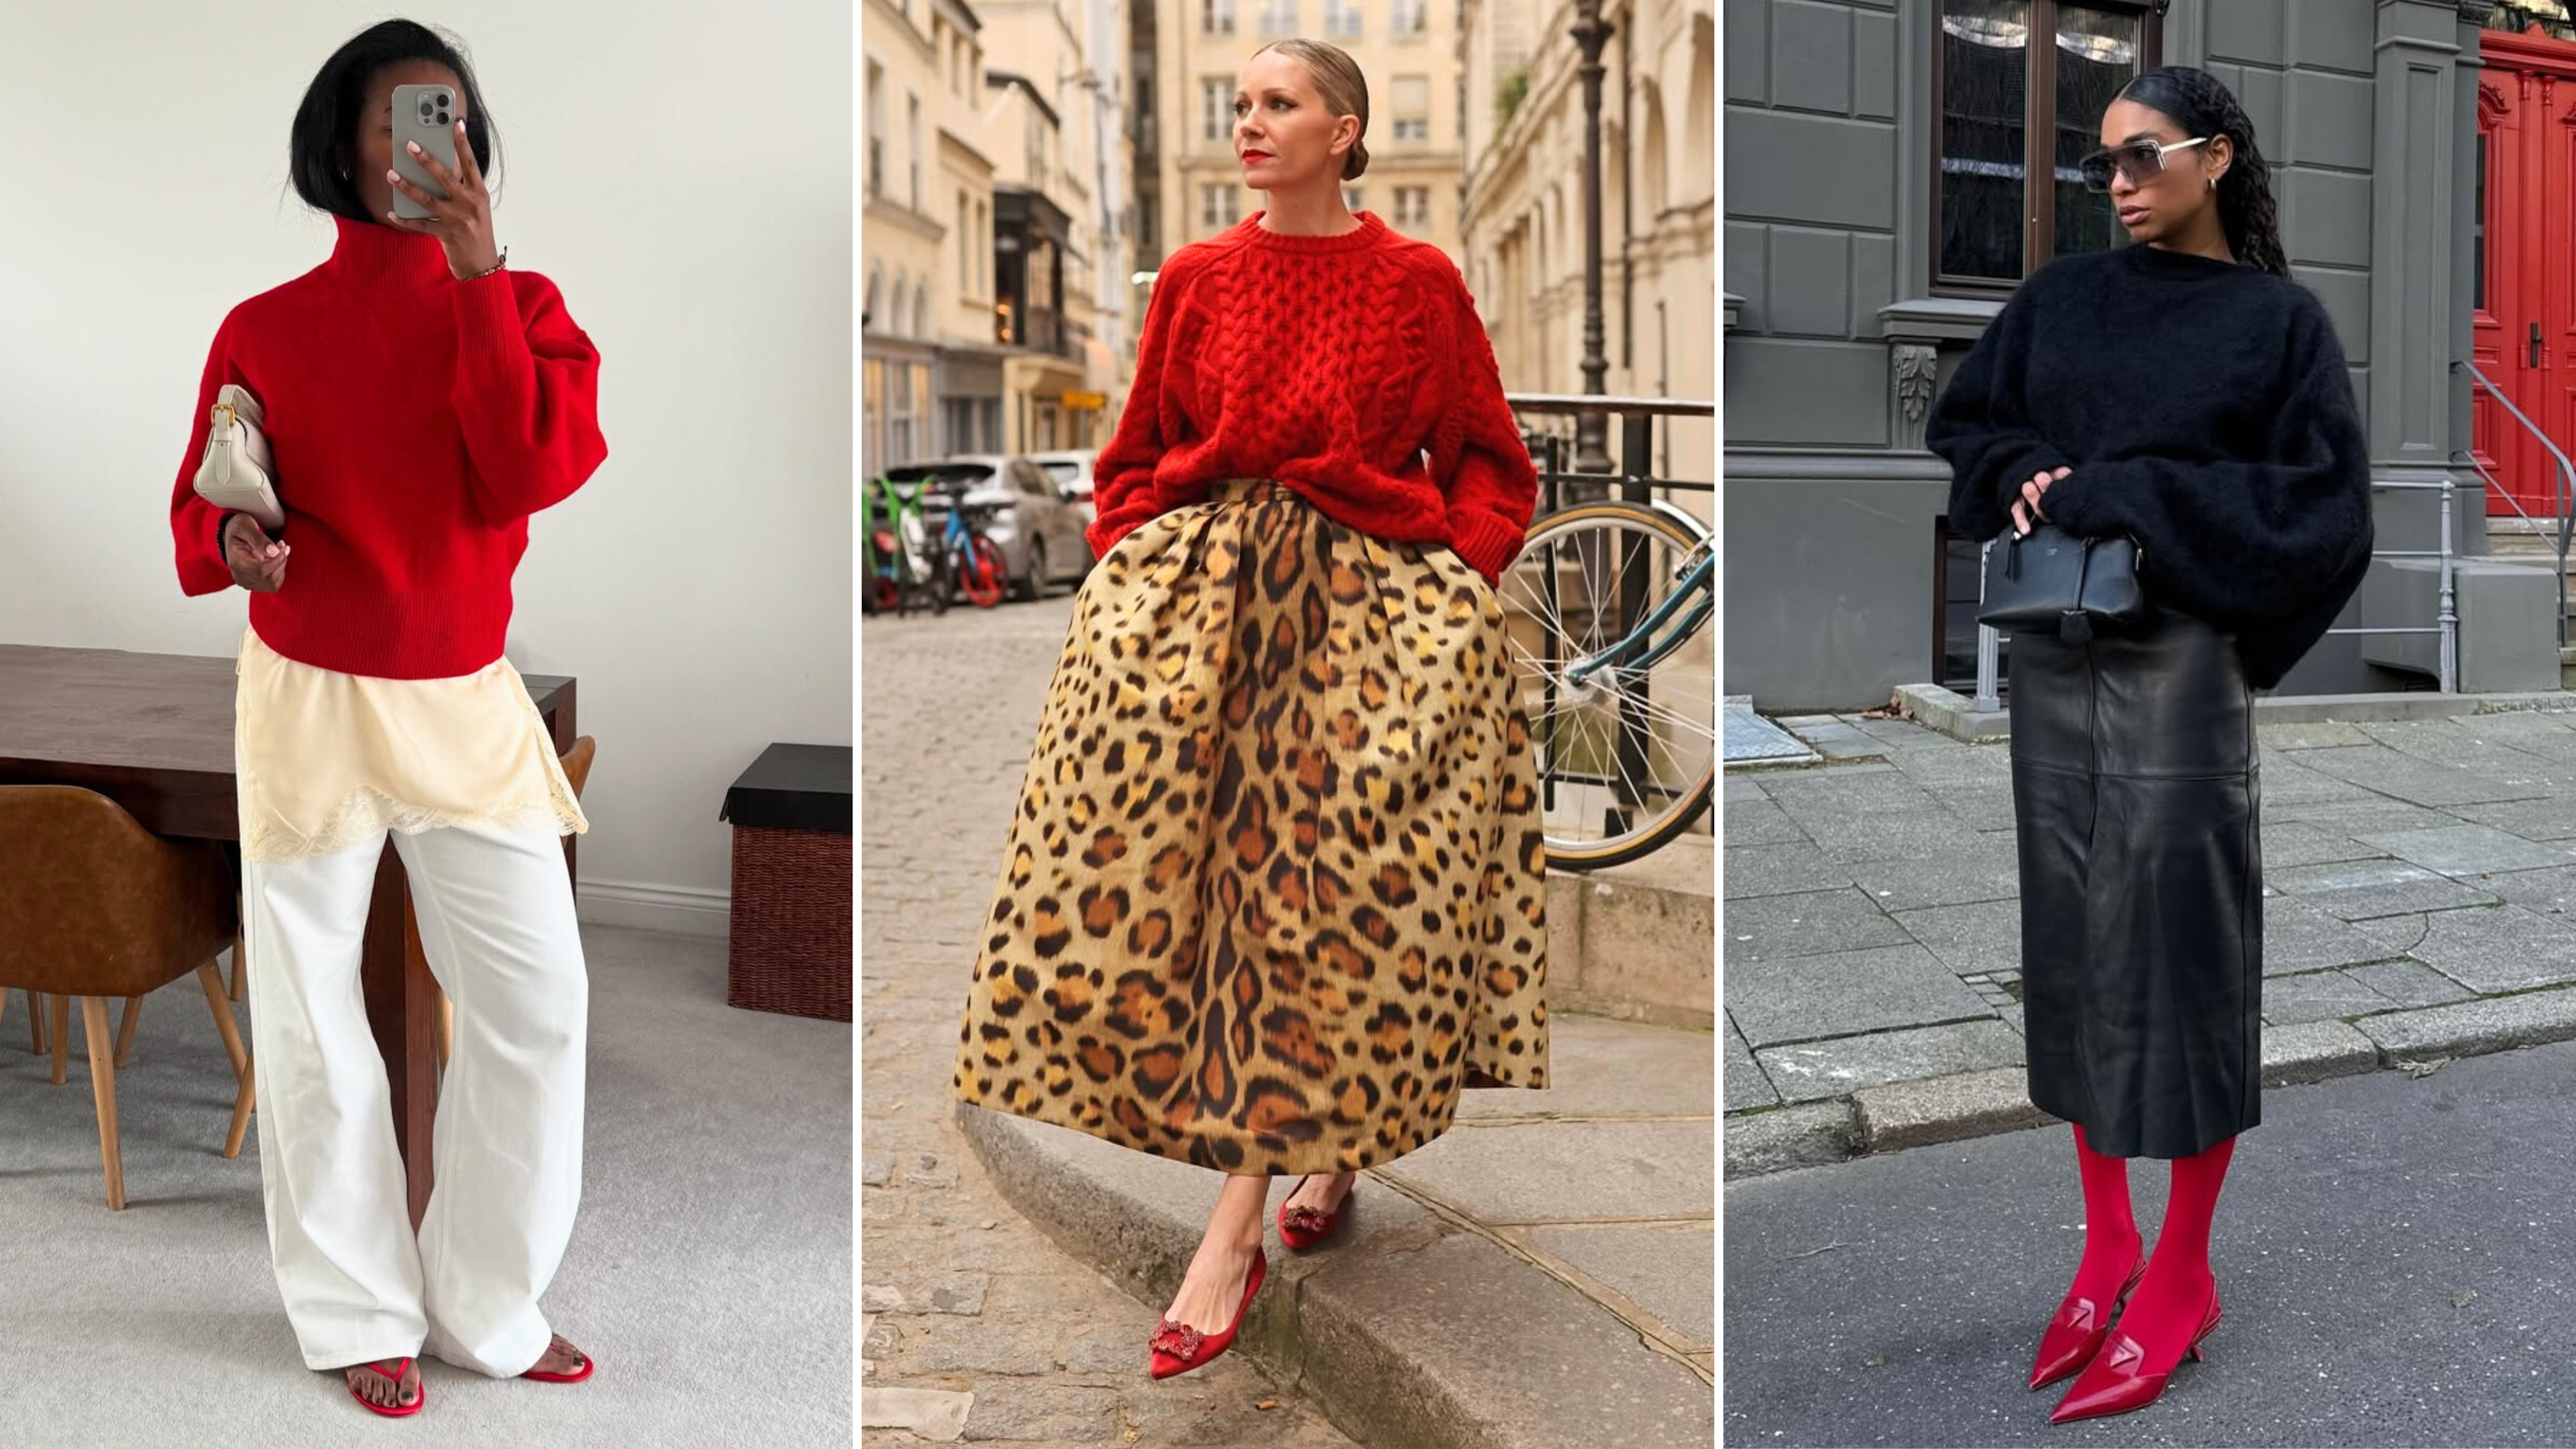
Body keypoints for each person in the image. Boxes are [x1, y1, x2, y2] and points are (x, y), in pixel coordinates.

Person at [949, 36, 1549, 1381]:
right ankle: (1307, 1155)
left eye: (1279, 105)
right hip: (1199, 624)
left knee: (1329, 900)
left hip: (1368, 627)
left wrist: (1453, 578)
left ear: (1344, 131)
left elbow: (1489, 460)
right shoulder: (1199, 279)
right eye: (1242, 105)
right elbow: (1135, 454)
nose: (1250, 124)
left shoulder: (1418, 282)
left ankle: (1230, 1230)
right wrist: (1125, 570)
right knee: (1190, 893)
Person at [168, 19, 607, 1418]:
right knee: (308, 1019)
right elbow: (208, 498)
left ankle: (486, 1305)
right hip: (304, 695)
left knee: (536, 1007)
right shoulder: (263, 326)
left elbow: (518, 474)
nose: (437, 144)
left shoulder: (526, 304)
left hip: (465, 696)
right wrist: (237, 547)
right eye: (407, 121)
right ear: (341, 148)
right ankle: (358, 1308)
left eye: (456, 121)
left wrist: (476, 281)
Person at [1925, 65, 2373, 1425]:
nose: (2112, 182)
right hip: (2054, 651)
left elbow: (2319, 512)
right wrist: (2015, 473)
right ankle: (2105, 1244)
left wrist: (2126, 491)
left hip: (2177, 655)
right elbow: (1970, 422)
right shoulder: (2060, 298)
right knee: (2068, 936)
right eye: (2099, 164)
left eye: (2139, 156)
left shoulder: (2274, 325)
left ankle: (2180, 1269)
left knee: (2177, 944)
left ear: (2214, 158)